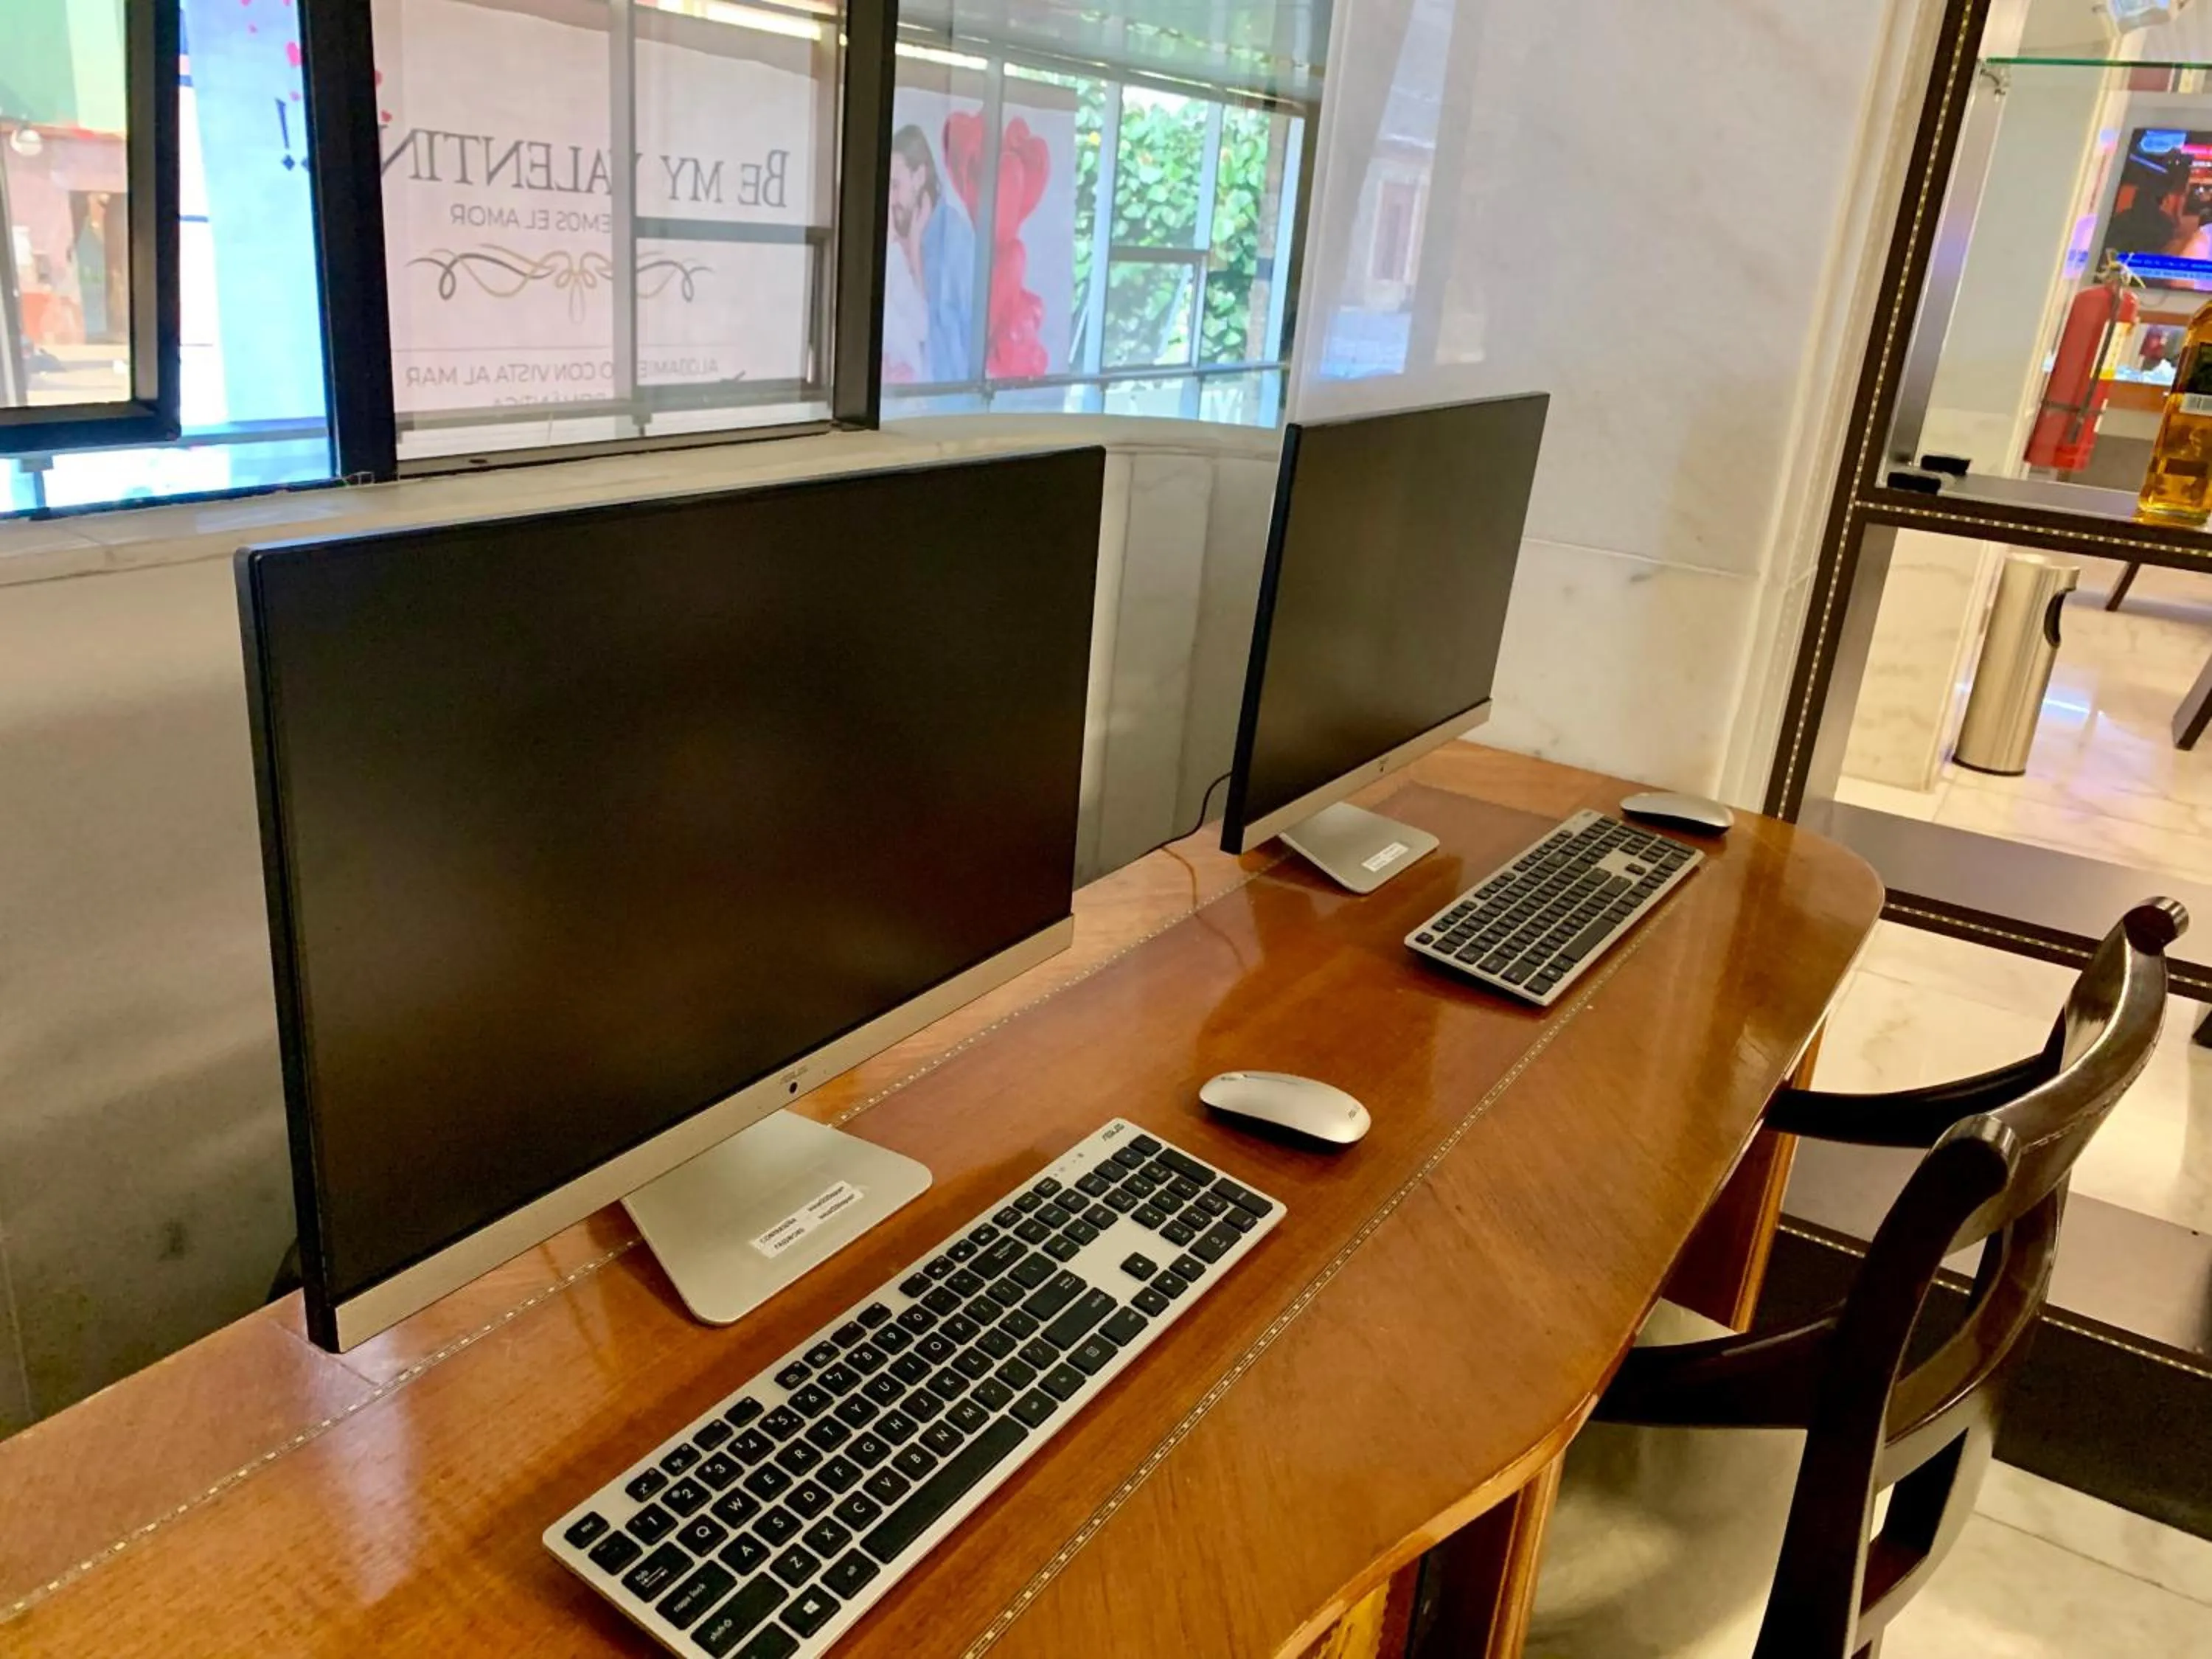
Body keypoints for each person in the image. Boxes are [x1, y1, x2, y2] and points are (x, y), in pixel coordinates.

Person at [888, 125, 973, 385]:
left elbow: (959, 333)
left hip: (945, 400)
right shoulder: (896, 230)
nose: (889, 199)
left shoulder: (954, 237)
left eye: (894, 185)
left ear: (920, 177)